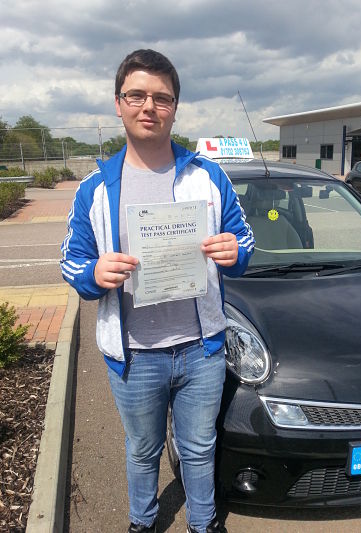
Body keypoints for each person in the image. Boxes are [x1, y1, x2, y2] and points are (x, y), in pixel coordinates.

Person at [60, 49, 254, 533]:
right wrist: (93, 275)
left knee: (199, 446)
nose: (149, 106)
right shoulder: (96, 189)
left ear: (174, 107)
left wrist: (237, 252)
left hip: (201, 348)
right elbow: (72, 261)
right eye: (137, 95)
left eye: (161, 98)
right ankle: (142, 522)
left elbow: (244, 241)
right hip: (134, 355)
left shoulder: (208, 176)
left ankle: (204, 523)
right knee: (142, 450)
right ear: (119, 103)